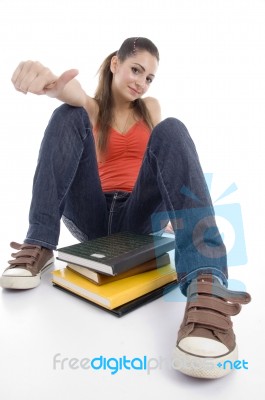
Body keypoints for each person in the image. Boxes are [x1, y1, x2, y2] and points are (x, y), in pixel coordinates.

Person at [0, 37, 250, 379]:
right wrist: (53, 87)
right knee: (66, 113)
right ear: (115, 63)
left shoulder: (151, 109)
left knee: (173, 129)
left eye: (149, 77)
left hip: (137, 217)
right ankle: (39, 244)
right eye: (136, 69)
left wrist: (170, 213)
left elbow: (164, 163)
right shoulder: (92, 107)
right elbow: (74, 97)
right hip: (91, 213)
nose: (141, 82)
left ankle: (207, 282)